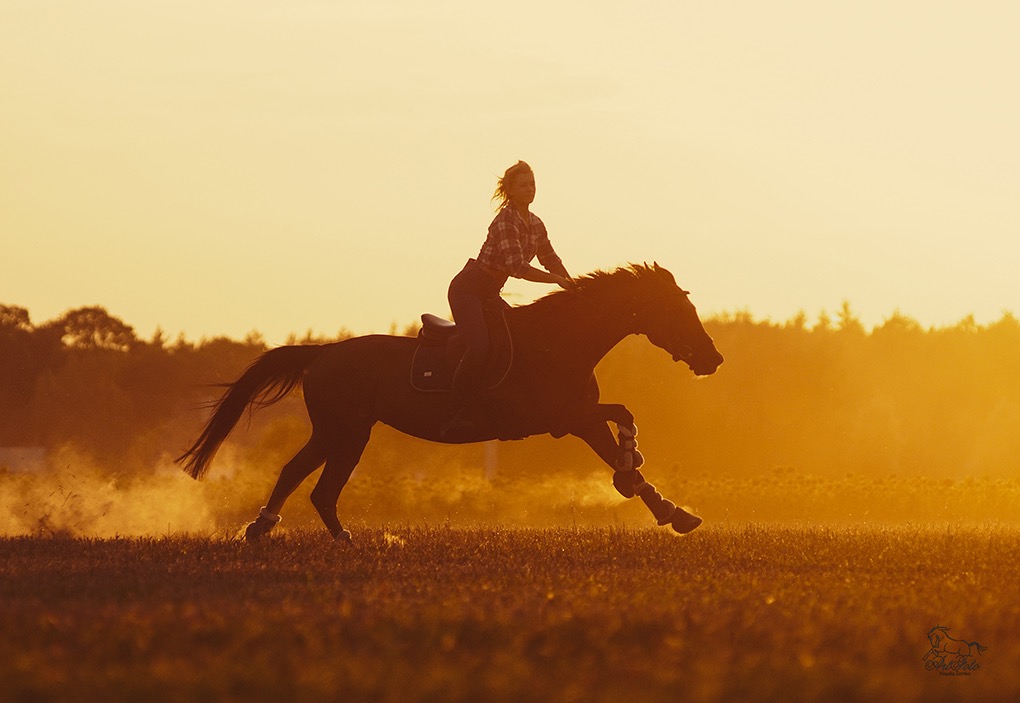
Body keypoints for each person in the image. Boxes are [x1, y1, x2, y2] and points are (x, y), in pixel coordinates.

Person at [443, 161, 574, 437]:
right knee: (480, 347)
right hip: (468, 290)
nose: (530, 189)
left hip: (490, 295)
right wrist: (556, 281)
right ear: (511, 191)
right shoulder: (505, 220)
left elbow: (550, 258)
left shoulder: (536, 224)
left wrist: (572, 286)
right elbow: (518, 267)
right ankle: (456, 411)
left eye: (533, 184)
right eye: (524, 185)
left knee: (515, 344)